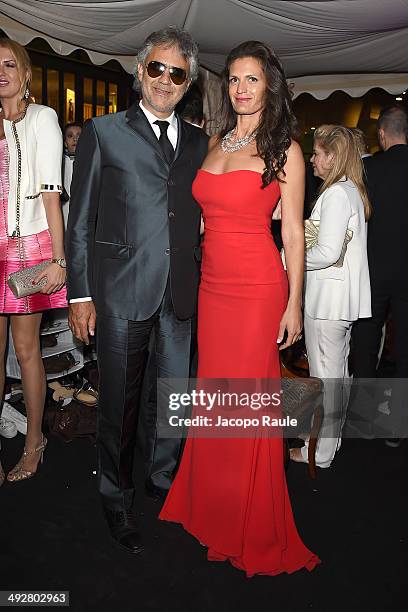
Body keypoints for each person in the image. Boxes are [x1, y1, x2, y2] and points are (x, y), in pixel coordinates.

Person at [159, 40, 320, 576]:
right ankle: (211, 505)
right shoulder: (215, 141)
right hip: (214, 286)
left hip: (256, 289)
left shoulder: (285, 150)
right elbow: (202, 215)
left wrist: (295, 304)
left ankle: (248, 520)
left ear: (269, 84)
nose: (241, 89)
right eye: (233, 79)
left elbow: (293, 235)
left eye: (252, 79)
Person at [66, 27, 208, 554]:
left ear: (188, 82)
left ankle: (163, 478)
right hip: (121, 292)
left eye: (177, 73)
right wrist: (80, 295)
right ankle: (116, 498)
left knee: (175, 397)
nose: (166, 80)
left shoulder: (197, 141)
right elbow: (79, 221)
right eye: (157, 68)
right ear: (140, 71)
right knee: (119, 405)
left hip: (181, 294)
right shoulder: (104, 132)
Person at [0, 38, 66, 482]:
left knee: (26, 352)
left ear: (25, 74)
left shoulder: (43, 117)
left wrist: (60, 259)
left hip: (27, 249)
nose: (1, 72)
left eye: (9, 65)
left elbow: (50, 193)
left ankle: (34, 440)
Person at [290, 125, 371, 468]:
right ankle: (327, 445)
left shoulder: (337, 193)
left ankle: (319, 452)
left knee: (326, 380)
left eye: (319, 153)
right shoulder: (351, 190)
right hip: (339, 301)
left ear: (333, 157)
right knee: (335, 376)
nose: (312, 159)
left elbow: (326, 251)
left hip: (328, 302)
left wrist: (288, 258)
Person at [350, 107, 408, 447]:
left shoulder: (368, 169)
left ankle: (364, 419)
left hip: (373, 272)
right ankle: (399, 425)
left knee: (366, 344)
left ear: (382, 135)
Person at [61, 121, 82, 229]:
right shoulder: (59, 163)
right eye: (70, 136)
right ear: (65, 142)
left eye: (79, 136)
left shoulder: (92, 163)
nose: (75, 139)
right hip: (63, 217)